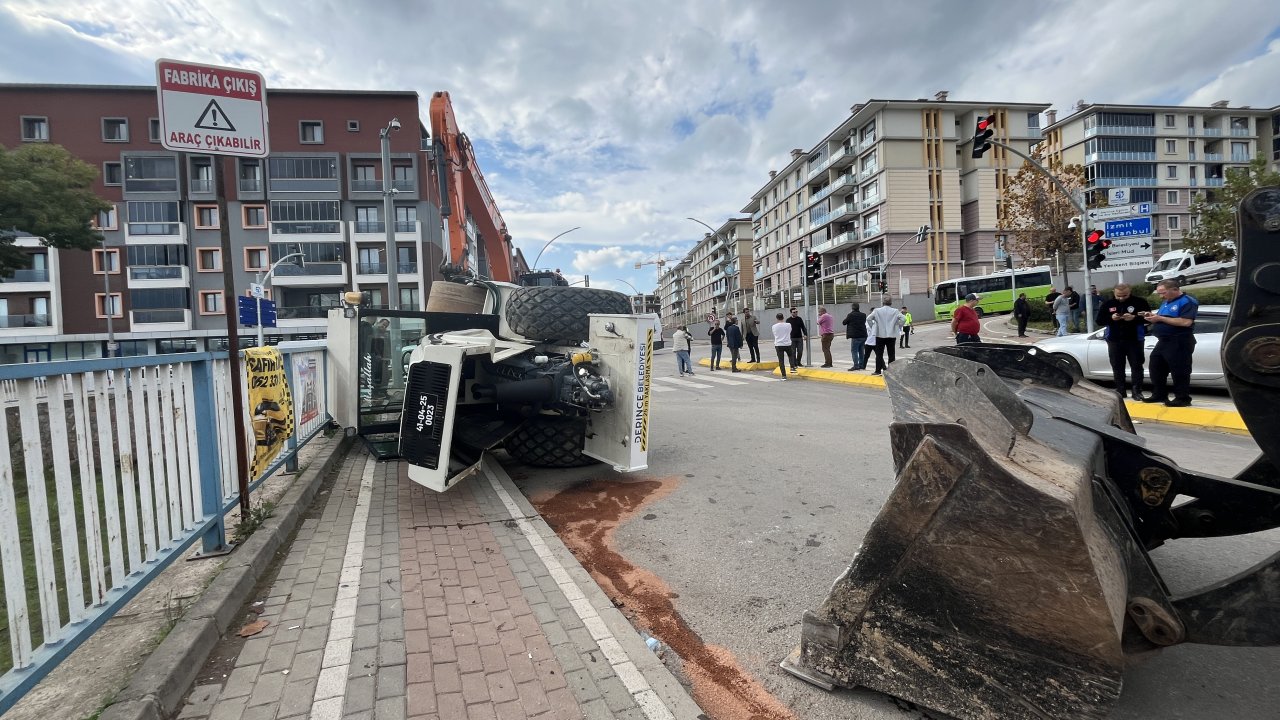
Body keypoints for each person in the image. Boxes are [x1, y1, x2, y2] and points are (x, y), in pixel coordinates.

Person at [1142, 279, 1198, 407]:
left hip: (1179, 339)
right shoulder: (1167, 302)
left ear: (1175, 289)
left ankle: (1182, 398)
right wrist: (1153, 317)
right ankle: (1159, 394)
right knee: (1156, 366)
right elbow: (1164, 318)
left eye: (1163, 293)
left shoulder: (1187, 301)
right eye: (1159, 293)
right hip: (1164, 340)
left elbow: (1186, 322)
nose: (1161, 296)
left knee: (1179, 369)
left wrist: (1160, 318)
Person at [1096, 283, 1151, 401]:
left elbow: (1149, 318)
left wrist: (1134, 318)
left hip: (1135, 340)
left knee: (1136, 366)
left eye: (1125, 295)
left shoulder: (1139, 302)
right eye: (1118, 296)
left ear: (1130, 291)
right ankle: (1120, 390)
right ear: (1114, 292)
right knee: (1117, 366)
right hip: (1114, 340)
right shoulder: (1108, 304)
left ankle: (1137, 391)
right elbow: (1099, 320)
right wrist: (1111, 318)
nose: (1121, 298)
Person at [866, 298, 904, 375]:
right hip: (891, 335)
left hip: (879, 335)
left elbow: (868, 318)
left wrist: (873, 327)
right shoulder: (895, 311)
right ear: (891, 303)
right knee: (891, 354)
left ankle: (878, 370)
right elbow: (903, 319)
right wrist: (898, 325)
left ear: (883, 303)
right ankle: (891, 371)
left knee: (879, 354)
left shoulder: (877, 311)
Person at [842, 302, 868, 371]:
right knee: (861, 350)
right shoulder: (863, 315)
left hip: (856, 336)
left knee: (854, 351)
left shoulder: (851, 315)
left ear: (852, 308)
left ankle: (856, 365)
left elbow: (844, 322)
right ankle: (861, 365)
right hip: (863, 335)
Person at [771, 313, 792, 380]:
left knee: (781, 360)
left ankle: (784, 375)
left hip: (779, 344)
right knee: (791, 356)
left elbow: (775, 334)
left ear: (777, 318)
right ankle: (792, 367)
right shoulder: (788, 325)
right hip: (787, 343)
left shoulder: (774, 326)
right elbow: (790, 331)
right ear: (783, 317)